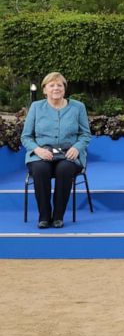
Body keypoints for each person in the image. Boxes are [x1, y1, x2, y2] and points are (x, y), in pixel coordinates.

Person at [21, 72, 92, 229]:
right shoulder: (36, 107)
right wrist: (38, 150)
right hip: (41, 153)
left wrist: (77, 147)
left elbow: (86, 134)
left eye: (59, 85)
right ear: (44, 89)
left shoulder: (78, 107)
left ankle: (58, 216)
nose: (56, 88)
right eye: (51, 85)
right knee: (40, 169)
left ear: (64, 89)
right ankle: (44, 216)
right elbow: (26, 137)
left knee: (65, 169)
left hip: (69, 154)